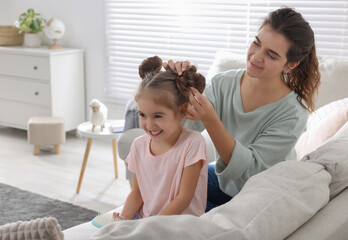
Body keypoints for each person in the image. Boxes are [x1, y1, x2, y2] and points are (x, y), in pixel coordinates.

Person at [163, 7, 321, 211]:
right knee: (162, 193)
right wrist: (171, 87)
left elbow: (251, 171)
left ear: (290, 65)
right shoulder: (223, 84)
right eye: (256, 43)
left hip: (262, 197)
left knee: (182, 217)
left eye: (272, 55)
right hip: (225, 183)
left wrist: (211, 119)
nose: (256, 57)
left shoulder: (293, 113)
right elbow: (184, 128)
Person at [115, 56, 208, 220]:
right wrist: (122, 221)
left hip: (180, 224)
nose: (149, 125)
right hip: (149, 220)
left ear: (181, 111)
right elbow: (137, 194)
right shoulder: (138, 145)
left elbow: (183, 198)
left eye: (158, 116)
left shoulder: (193, 143)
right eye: (142, 115)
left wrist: (151, 226)